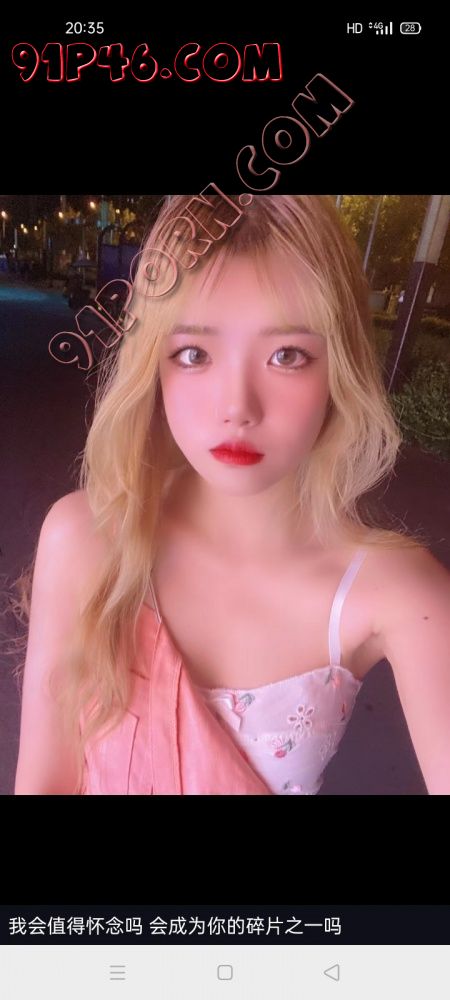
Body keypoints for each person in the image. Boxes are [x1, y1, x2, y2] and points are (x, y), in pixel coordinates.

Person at [11, 194, 450, 795]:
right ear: (153, 366)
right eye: (193, 354)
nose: (237, 407)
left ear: (340, 366)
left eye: (287, 355)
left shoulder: (396, 592)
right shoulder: (87, 537)